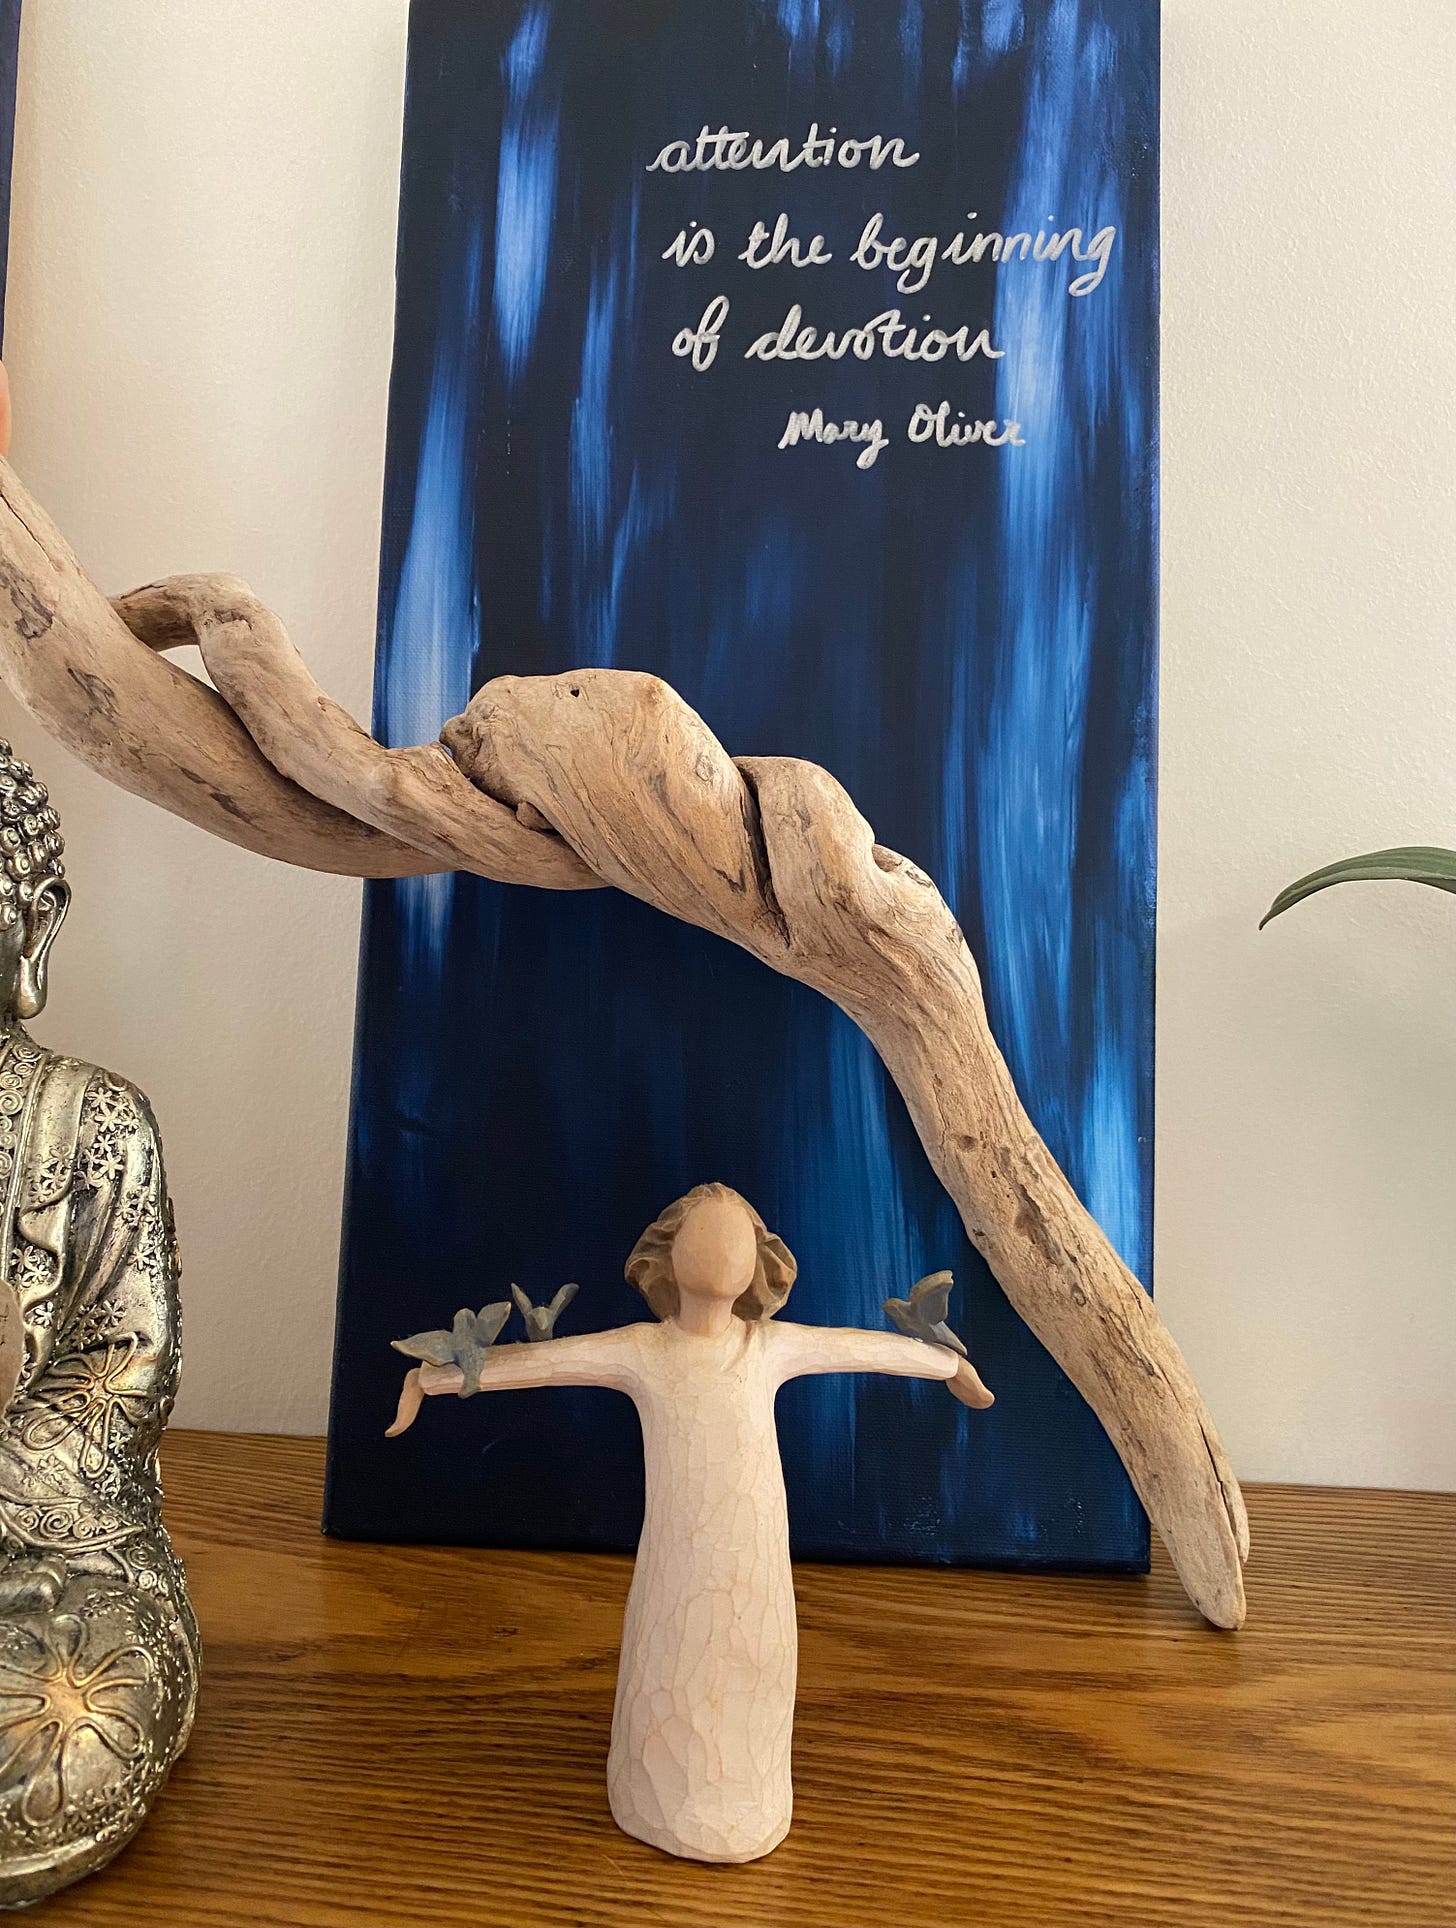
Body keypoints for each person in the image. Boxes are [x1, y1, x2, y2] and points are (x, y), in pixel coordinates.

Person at [388, 1181, 992, 1863]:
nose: (724, 1248)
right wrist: (432, 1380)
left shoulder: (770, 1347)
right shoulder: (644, 1349)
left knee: (752, 1659)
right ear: (665, 1256)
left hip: (756, 1560)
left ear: (761, 1261)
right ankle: (655, 1796)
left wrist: (948, 1367)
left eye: (737, 1236)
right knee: (673, 1650)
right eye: (705, 1234)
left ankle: (751, 1794)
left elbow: (865, 1349)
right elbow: (543, 1361)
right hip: (678, 1557)